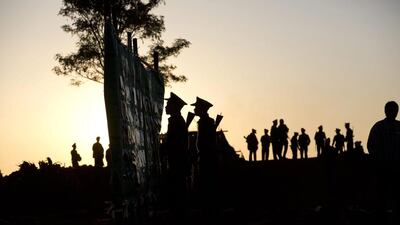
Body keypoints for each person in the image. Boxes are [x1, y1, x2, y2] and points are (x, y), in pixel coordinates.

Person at [367, 101, 400, 222]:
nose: (394, 112)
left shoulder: (398, 126)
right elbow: (371, 146)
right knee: (382, 197)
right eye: (392, 110)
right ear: (386, 111)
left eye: (396, 110)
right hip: (383, 169)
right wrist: (379, 161)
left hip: (396, 169)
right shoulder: (378, 127)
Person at [191, 97, 218, 220]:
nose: (195, 109)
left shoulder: (205, 122)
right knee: (208, 185)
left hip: (207, 158)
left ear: (202, 109)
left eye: (196, 107)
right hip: (207, 157)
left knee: (207, 185)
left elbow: (205, 143)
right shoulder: (207, 122)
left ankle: (208, 212)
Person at [164, 92, 189, 223]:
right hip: (177, 161)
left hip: (177, 162)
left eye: (168, 104)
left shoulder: (176, 121)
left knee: (178, 191)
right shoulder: (176, 120)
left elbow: (176, 144)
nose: (166, 106)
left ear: (174, 106)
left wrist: (164, 148)